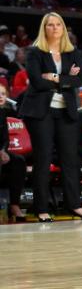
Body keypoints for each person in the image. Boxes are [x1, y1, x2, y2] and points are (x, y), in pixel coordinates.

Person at [20, 12, 82, 221]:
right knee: (43, 160)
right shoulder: (35, 52)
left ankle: (75, 205)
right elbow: (36, 81)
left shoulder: (74, 53)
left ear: (63, 28)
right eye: (50, 25)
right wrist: (65, 78)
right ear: (44, 29)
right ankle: (41, 208)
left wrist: (52, 77)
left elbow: (78, 80)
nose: (54, 28)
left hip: (66, 111)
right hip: (40, 112)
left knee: (70, 160)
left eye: (58, 25)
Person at [0, 83, 27, 221]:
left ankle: (14, 204)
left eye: (3, 94)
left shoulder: (2, 113)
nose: (1, 96)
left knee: (18, 160)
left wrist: (3, 150)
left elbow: (5, 138)